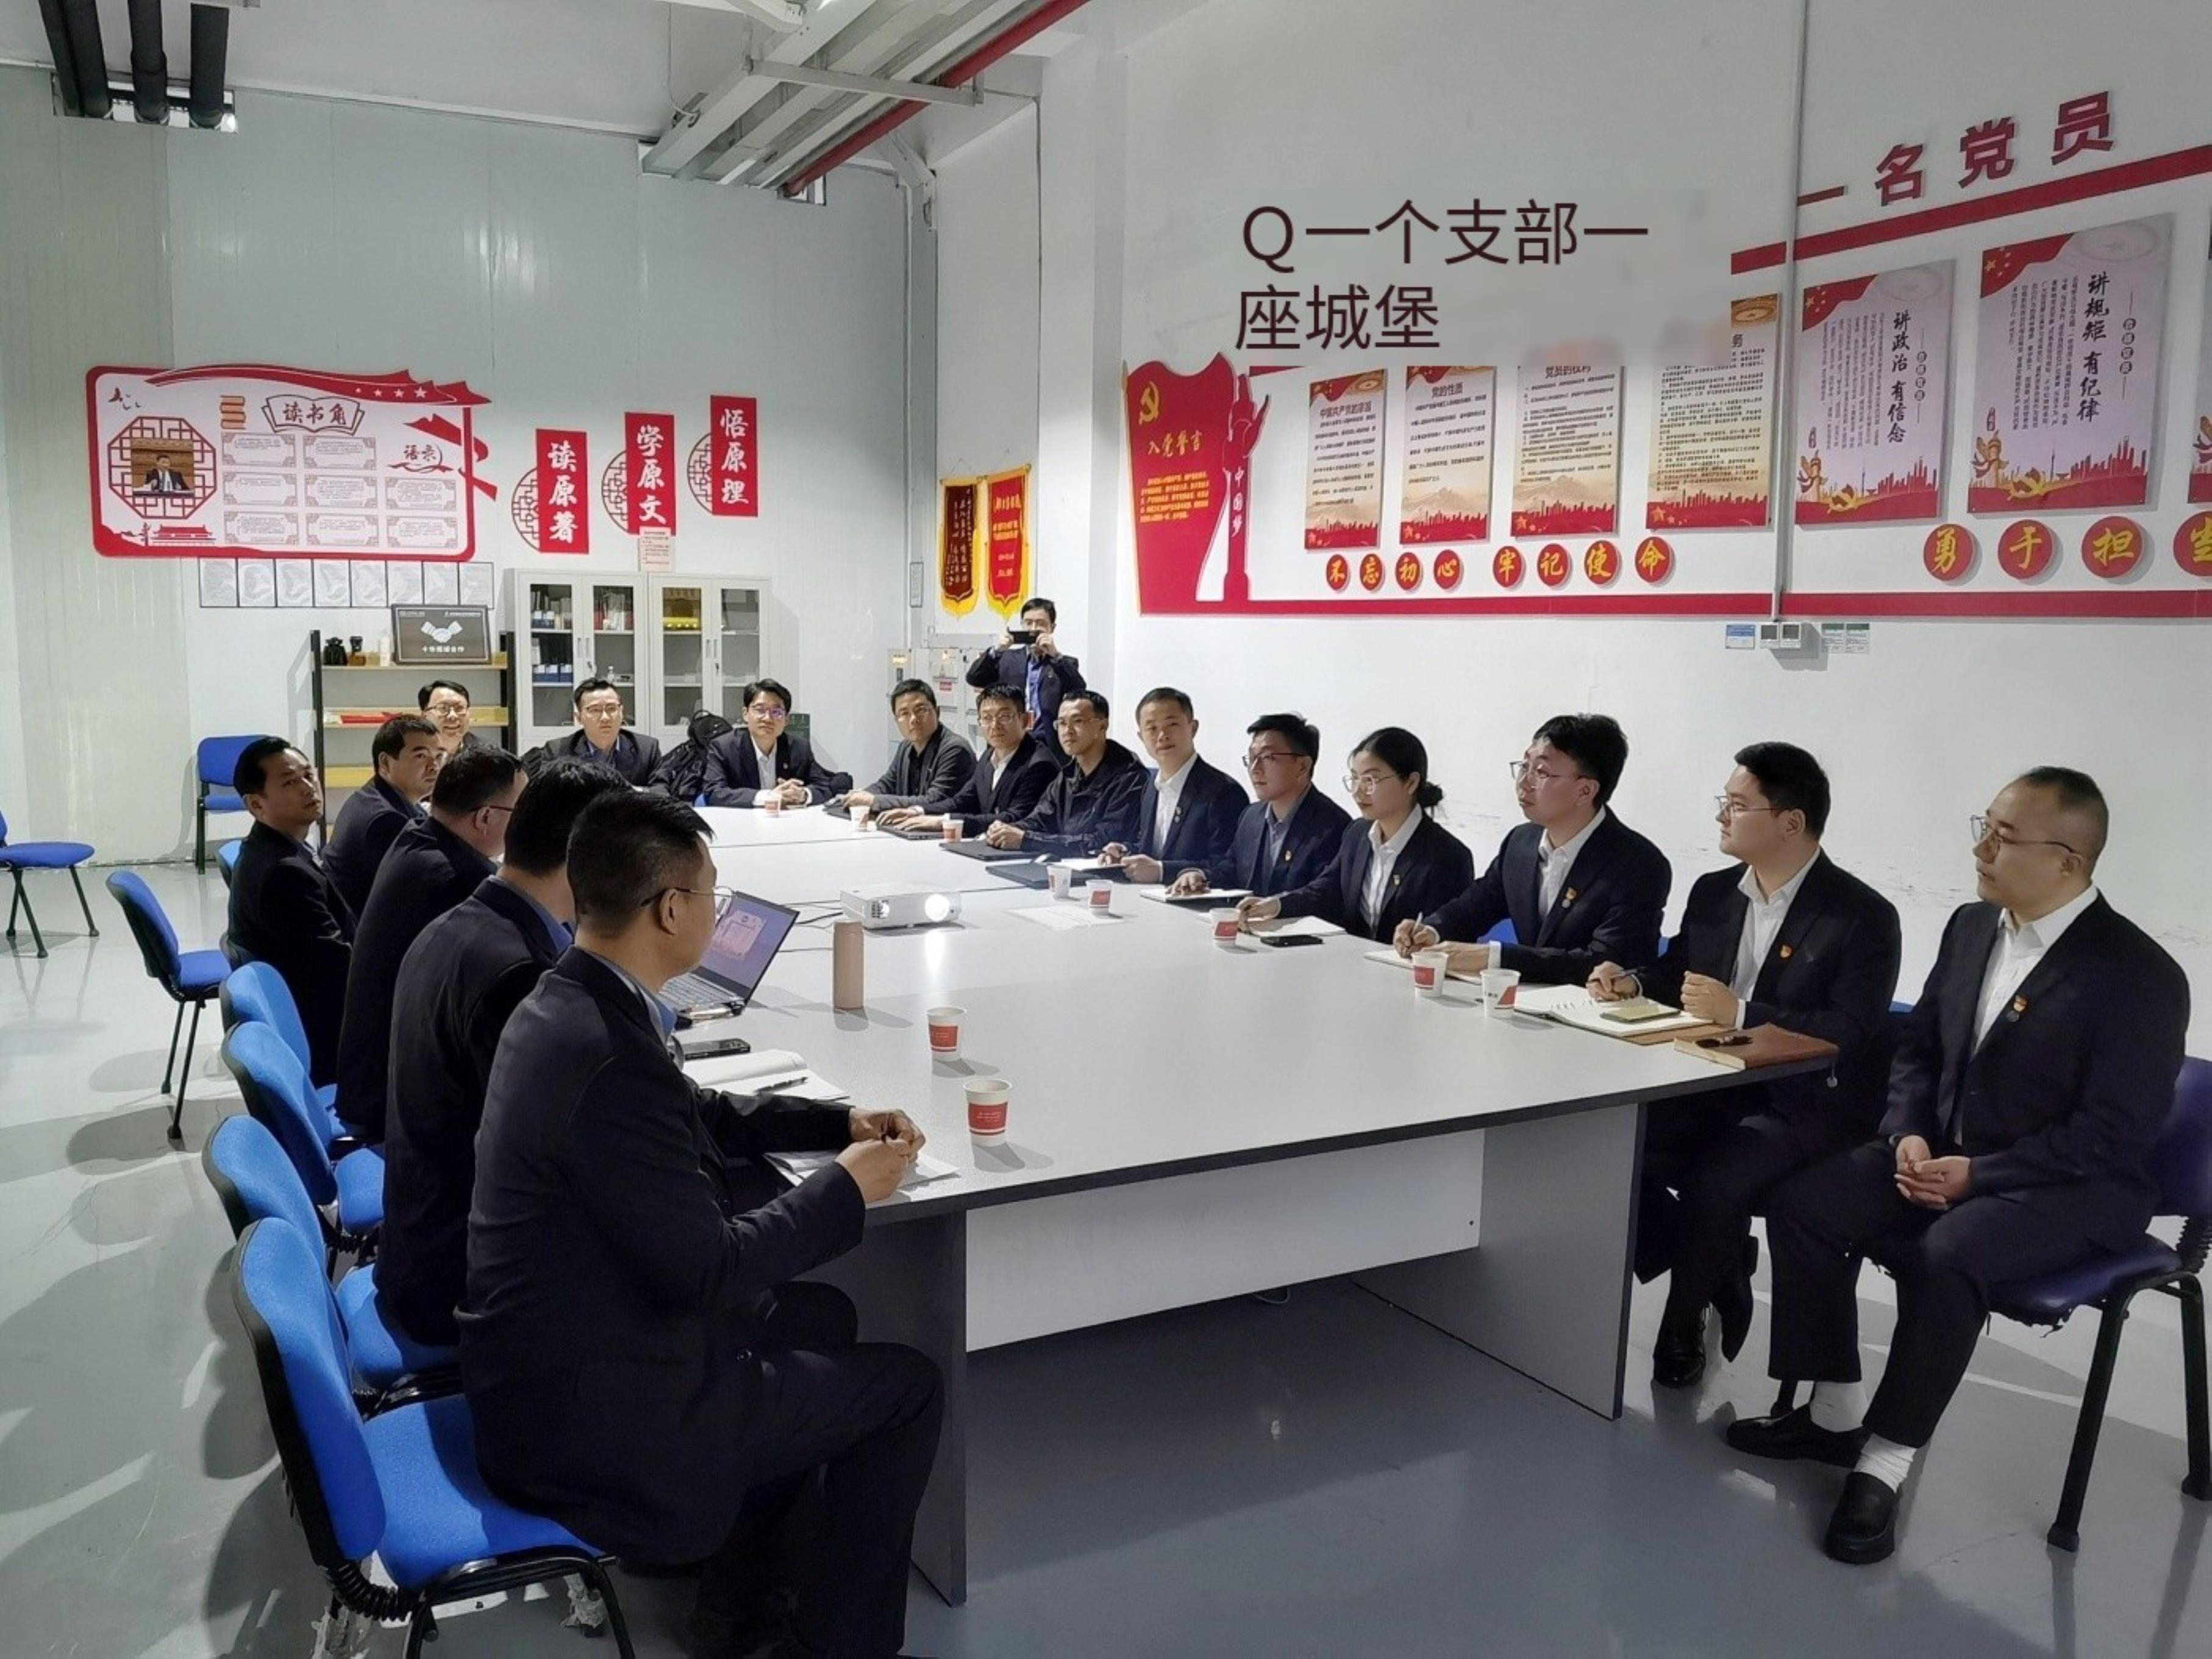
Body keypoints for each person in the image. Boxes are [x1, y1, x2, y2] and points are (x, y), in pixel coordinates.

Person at [462, 793, 943, 1659]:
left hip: (548, 1361)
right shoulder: (607, 1055)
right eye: (713, 894)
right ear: (672, 909)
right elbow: (710, 1271)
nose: (720, 912)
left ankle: (738, 1600)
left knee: (821, 1315)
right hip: (595, 1420)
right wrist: (845, 1188)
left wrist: (835, 1124)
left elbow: (698, 1111)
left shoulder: (568, 999)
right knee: (908, 1389)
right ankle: (838, 1645)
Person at [1728, 768, 2188, 1566]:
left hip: (2072, 1184)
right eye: (1985, 827)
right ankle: (1835, 1413)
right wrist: (1907, 1133)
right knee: (1806, 1204)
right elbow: (1919, 1051)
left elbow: (2109, 1135)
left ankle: (1885, 1461)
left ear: (2069, 861)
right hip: (1943, 1153)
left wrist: (1979, 1176)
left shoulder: (2137, 974)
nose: (1981, 849)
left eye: (2003, 838)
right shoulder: (1972, 926)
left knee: (1948, 1255)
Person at [1586, 743, 1902, 1390]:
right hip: (1708, 1079)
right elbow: (1679, 972)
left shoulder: (1861, 916)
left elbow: (1852, 1029)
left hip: (1805, 1100)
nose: (1721, 817)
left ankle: (1682, 1318)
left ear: (1790, 822)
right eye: (1723, 803)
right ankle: (1720, 1259)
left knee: (1718, 1181)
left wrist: (1743, 1011)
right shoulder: (1714, 892)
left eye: (1736, 805)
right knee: (1610, 1139)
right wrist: (1631, 981)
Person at [379, 760, 631, 1348]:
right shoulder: (516, 972)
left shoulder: (462, 924)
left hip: (420, 1241)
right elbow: (567, 1159)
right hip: (460, 1282)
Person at [335, 746, 526, 1144]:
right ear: (485, 818)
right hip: (396, 1106)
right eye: (521, 811)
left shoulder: (418, 837)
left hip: (373, 1073)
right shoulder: (456, 881)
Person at [1393, 713, 1670, 985]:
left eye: (1541, 772)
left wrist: (1496, 958)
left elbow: (1608, 961)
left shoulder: (1639, 864)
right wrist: (1431, 930)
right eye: (1524, 766)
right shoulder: (1521, 843)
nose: (1524, 782)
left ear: (1585, 791)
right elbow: (1475, 906)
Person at [1240, 727, 1472, 943]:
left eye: (1371, 780)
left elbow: (1449, 933)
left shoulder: (1447, 856)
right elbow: (1327, 890)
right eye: (1355, 778)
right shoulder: (1357, 834)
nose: (1358, 791)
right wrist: (1276, 905)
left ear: (1411, 783)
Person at [225, 738, 353, 1085]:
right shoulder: (285, 872)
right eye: (289, 782)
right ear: (256, 804)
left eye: (308, 775)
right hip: (327, 1036)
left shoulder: (271, 848)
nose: (308, 787)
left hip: (310, 1010)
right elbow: (336, 970)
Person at [1163, 713, 1351, 899]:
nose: (1255, 769)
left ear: (1303, 766)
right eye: (1252, 757)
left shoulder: (1333, 826)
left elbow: (1322, 897)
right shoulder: (1251, 816)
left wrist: (1276, 907)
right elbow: (1231, 869)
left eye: (1268, 758)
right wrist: (1201, 877)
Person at [1097, 687, 1248, 880]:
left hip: (1193, 899)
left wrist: (1163, 871)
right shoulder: (1150, 787)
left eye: (1172, 725)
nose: (1162, 735)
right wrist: (1124, 852)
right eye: (1152, 728)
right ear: (1141, 737)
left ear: (1193, 728)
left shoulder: (1224, 792)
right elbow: (1154, 849)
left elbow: (1228, 866)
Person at [880, 685, 1059, 840]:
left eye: (1004, 716)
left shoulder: (1039, 763)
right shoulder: (989, 756)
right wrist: (918, 811)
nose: (995, 725)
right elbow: (962, 801)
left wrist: (945, 821)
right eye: (987, 718)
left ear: (1025, 720)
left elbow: (1014, 818)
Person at [981, 690, 1145, 855]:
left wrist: (1026, 840)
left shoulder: (1129, 776)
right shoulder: (1069, 774)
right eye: (1062, 723)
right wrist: (1007, 830)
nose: (1067, 731)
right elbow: (1040, 820)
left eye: (1078, 721)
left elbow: (1102, 842)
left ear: (1102, 726)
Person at [323, 714, 441, 917]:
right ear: (385, 763)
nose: (434, 766)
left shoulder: (373, 796)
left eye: (438, 756)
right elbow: (417, 893)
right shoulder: (386, 819)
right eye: (421, 756)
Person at [702, 677, 852, 807]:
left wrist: (802, 795)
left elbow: (825, 785)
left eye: (777, 712)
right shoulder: (724, 747)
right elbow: (714, 792)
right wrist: (769, 797)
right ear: (746, 714)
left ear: (786, 720)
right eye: (760, 710)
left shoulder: (799, 748)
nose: (768, 718)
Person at [965, 595, 1086, 754]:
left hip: (1049, 743)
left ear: (1052, 627)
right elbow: (974, 678)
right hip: (1010, 739)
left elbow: (1079, 689)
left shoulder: (1062, 663)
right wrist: (997, 651)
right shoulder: (1006, 659)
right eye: (1028, 623)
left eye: (1041, 624)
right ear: (1022, 625)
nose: (1033, 629)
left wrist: (1056, 655)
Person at [837, 678, 976, 816]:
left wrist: (873, 801)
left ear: (938, 712)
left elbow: (934, 801)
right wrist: (862, 794)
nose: (913, 719)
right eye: (904, 714)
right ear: (896, 721)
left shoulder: (955, 749)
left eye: (920, 710)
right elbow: (887, 784)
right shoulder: (906, 746)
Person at [535, 677, 662, 785]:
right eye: (595, 710)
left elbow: (661, 792)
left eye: (611, 709)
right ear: (579, 718)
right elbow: (546, 798)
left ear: (622, 712)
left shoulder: (647, 749)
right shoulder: (558, 751)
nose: (605, 718)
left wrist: (626, 795)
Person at [419, 679, 494, 759]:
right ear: (425, 715)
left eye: (460, 708)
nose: (453, 716)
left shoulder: (490, 756)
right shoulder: (411, 754)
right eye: (443, 708)